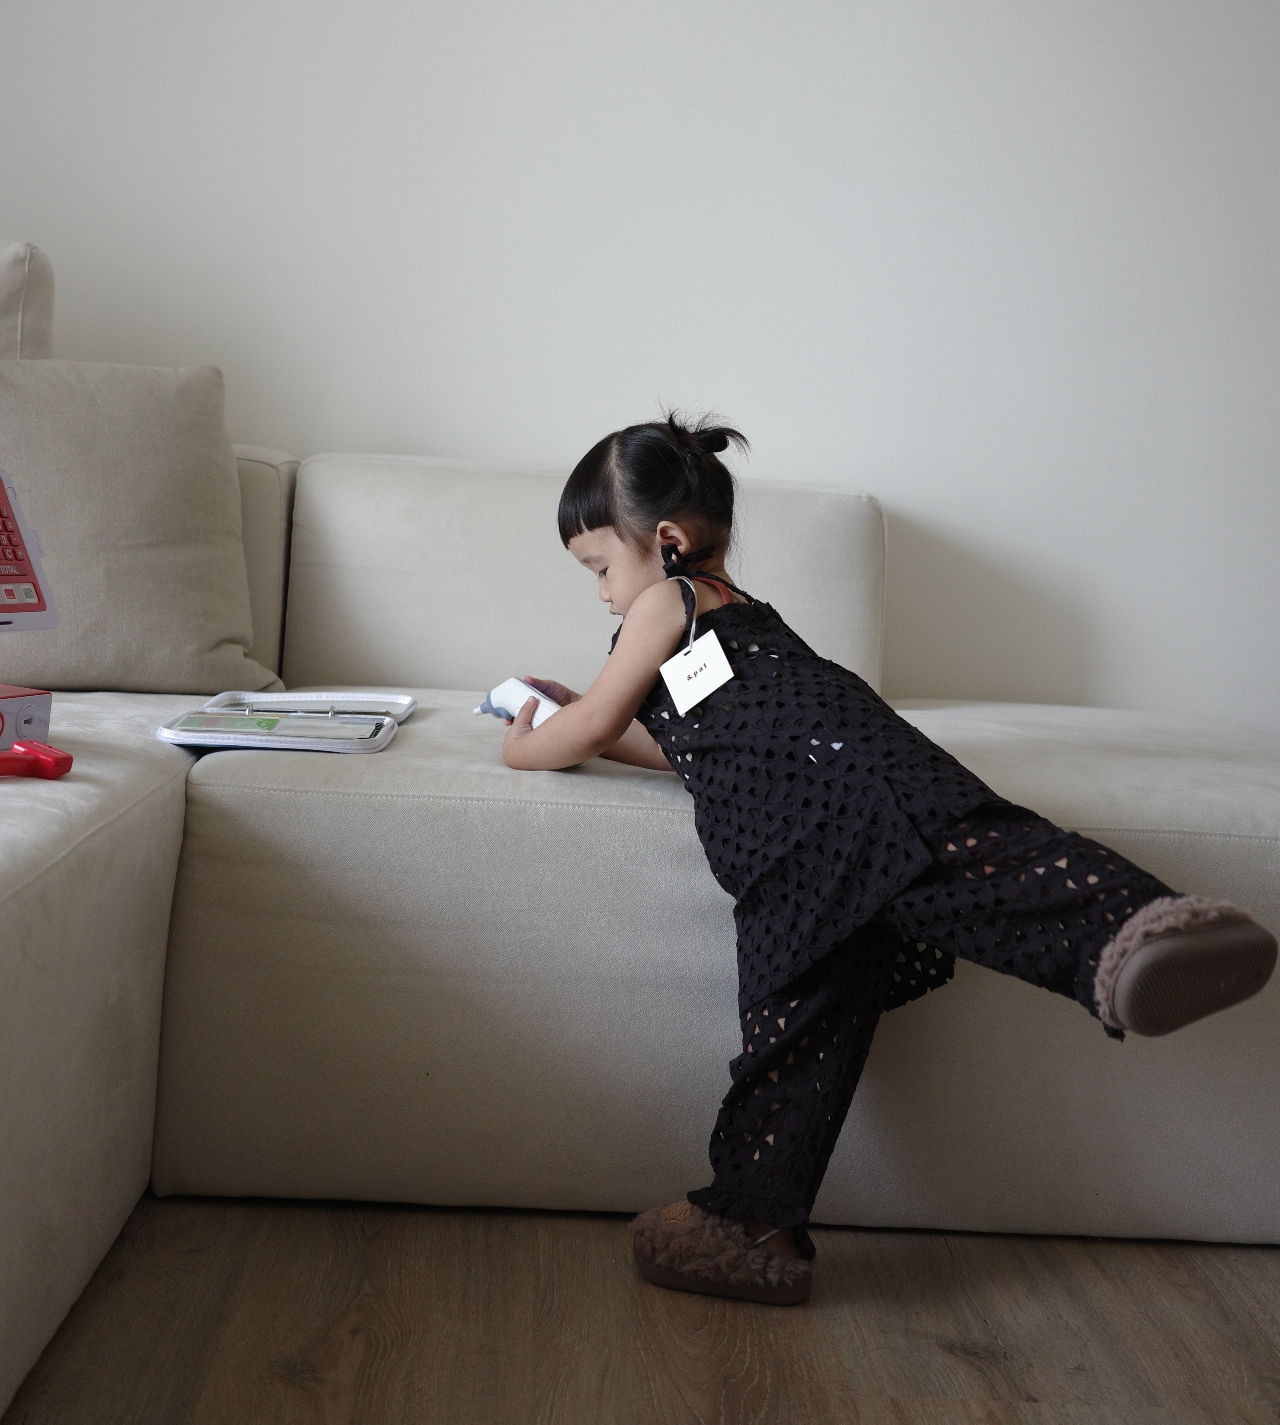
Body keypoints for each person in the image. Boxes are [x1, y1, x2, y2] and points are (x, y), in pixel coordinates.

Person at [494, 414, 1277, 1308]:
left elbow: (602, 721)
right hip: (805, 851)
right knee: (810, 1020)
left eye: (600, 568)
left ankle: (1142, 934)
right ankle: (749, 1223)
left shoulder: (666, 601)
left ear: (668, 542)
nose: (602, 595)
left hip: (819, 817)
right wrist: (583, 717)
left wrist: (529, 744)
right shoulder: (733, 620)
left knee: (970, 870)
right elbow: (681, 746)